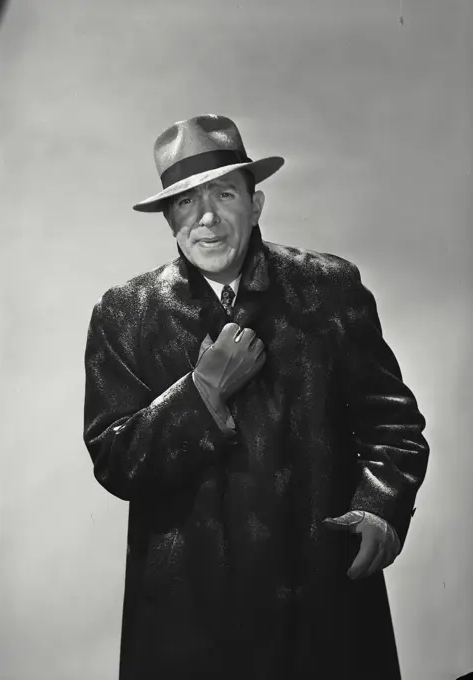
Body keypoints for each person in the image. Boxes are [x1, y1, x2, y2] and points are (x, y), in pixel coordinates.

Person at [83, 114, 430, 680]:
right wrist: (202, 392)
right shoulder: (125, 314)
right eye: (187, 202)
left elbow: (392, 425)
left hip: (321, 599)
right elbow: (114, 461)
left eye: (224, 194)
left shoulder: (329, 288)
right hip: (188, 617)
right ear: (169, 217)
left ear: (256, 203)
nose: (208, 218)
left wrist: (382, 506)